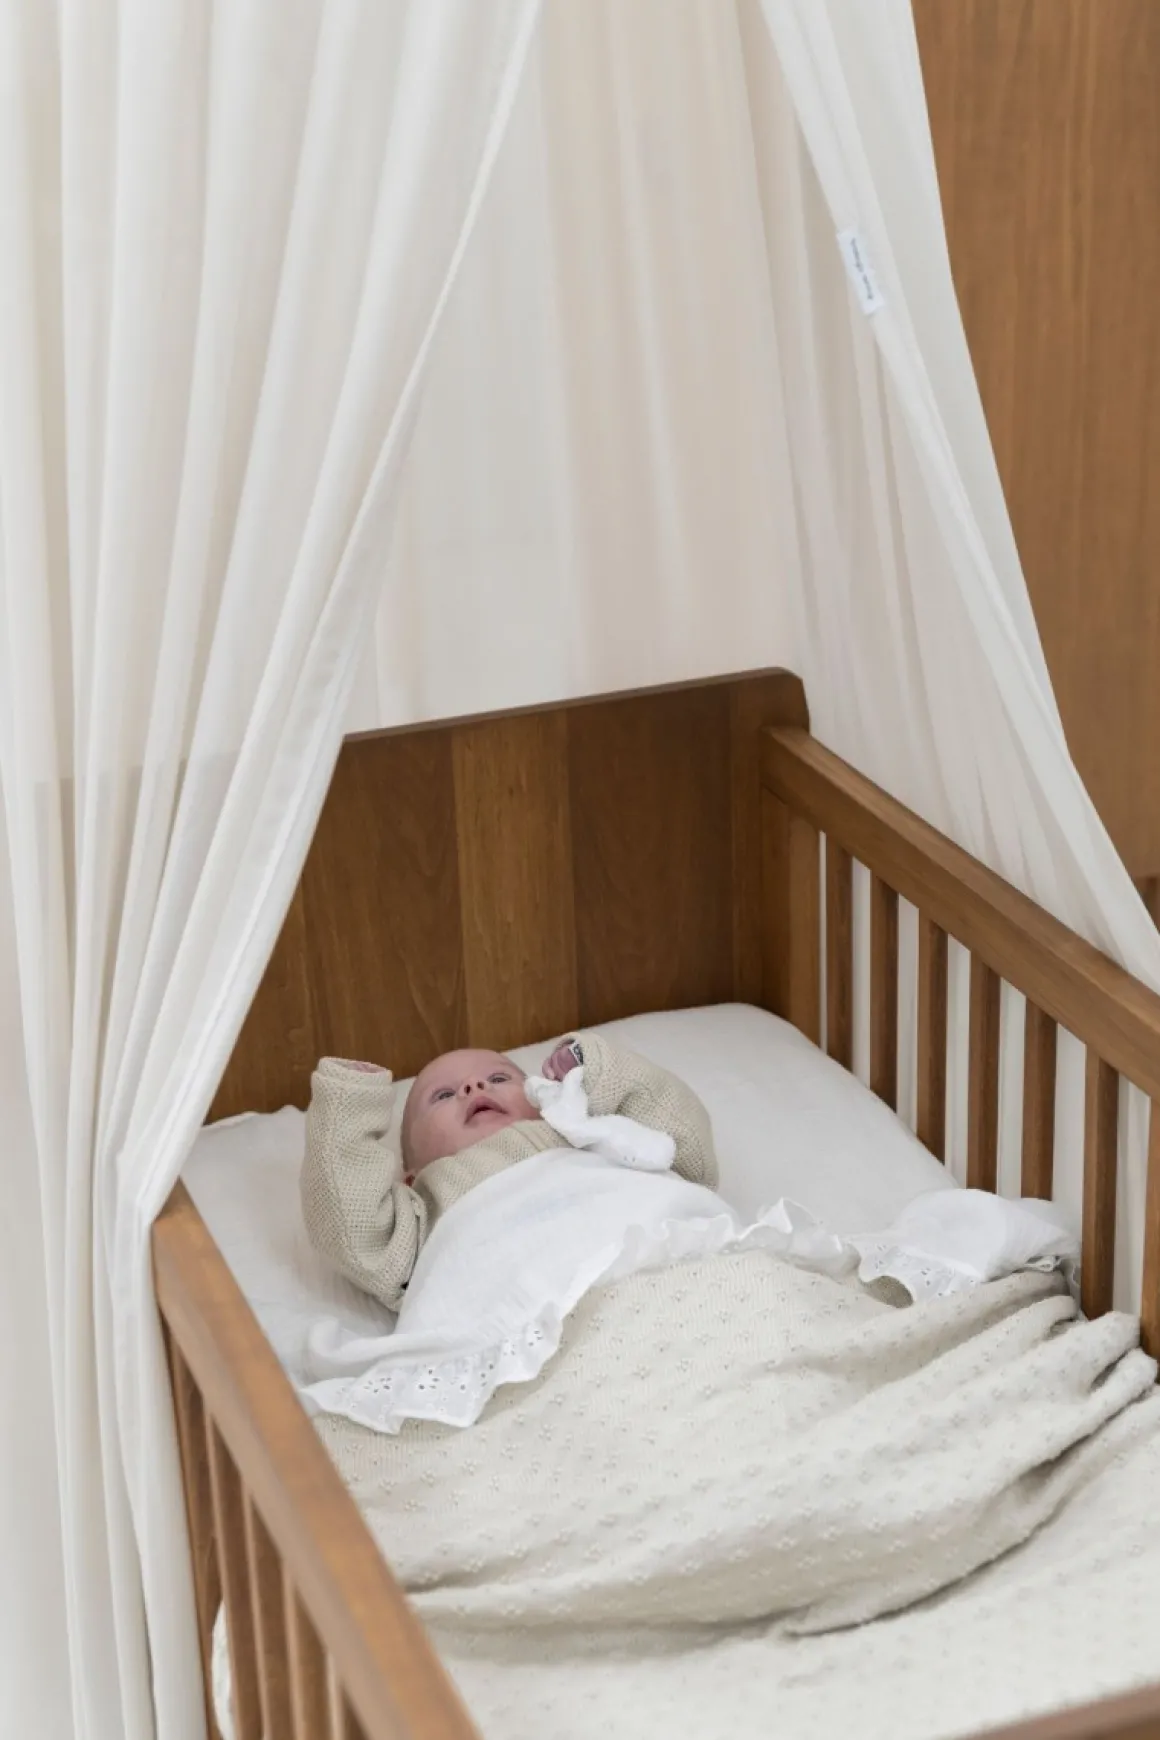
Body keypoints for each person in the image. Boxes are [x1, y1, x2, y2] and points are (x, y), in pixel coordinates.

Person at [301, 1033, 717, 1310]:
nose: (473, 1087)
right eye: (442, 1095)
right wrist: (349, 1104)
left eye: (498, 1077)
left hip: (674, 1273)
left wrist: (595, 1070)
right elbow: (350, 1226)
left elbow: (687, 1149)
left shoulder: (592, 1134)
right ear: (411, 1176)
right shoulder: (426, 1206)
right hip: (535, 1321)